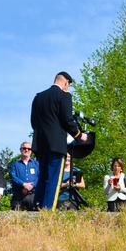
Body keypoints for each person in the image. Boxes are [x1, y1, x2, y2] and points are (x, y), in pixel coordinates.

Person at [30, 71, 87, 211]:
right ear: (66, 82)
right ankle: (48, 209)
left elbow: (33, 122)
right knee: (54, 179)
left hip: (40, 143)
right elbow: (67, 120)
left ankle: (36, 207)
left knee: (42, 176)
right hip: (56, 144)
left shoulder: (38, 97)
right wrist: (79, 135)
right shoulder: (64, 96)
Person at [8, 142, 39, 210]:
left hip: (33, 195)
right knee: (16, 217)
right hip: (18, 195)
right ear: (20, 149)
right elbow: (13, 177)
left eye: (29, 149)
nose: (26, 150)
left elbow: (39, 177)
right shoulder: (14, 164)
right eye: (24, 148)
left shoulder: (36, 164)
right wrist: (23, 184)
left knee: (34, 217)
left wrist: (32, 186)